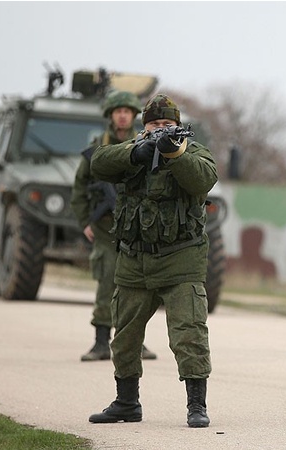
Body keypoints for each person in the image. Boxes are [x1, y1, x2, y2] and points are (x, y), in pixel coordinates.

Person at [88, 94, 217, 428]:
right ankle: (126, 403)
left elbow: (203, 178)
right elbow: (98, 163)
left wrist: (175, 153)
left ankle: (196, 405)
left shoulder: (193, 152)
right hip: (134, 260)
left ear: (178, 126)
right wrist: (136, 152)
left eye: (167, 125)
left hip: (181, 259)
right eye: (154, 125)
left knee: (189, 334)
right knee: (125, 336)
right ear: (142, 127)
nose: (160, 130)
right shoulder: (132, 149)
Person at [71, 90, 157, 362]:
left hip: (135, 228)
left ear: (133, 116)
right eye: (117, 111)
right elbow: (79, 188)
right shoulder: (98, 147)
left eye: (127, 111)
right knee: (107, 281)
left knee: (137, 287)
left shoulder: (144, 143)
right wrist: (86, 220)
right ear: (111, 115)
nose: (122, 115)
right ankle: (100, 342)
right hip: (105, 227)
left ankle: (134, 341)